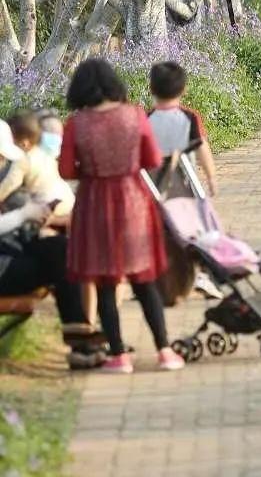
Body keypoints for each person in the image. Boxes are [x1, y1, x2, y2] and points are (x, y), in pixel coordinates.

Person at [59, 58, 184, 372]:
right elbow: (152, 158)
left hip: (94, 205)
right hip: (133, 202)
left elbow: (65, 170)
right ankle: (165, 351)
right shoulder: (136, 115)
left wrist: (90, 169)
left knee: (105, 283)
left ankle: (119, 356)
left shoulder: (76, 124)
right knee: (144, 281)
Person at [0, 128, 101, 370]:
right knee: (58, 260)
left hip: (9, 253)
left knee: (60, 249)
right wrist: (24, 214)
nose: (3, 165)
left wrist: (35, 217)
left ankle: (80, 338)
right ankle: (81, 342)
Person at [148, 61, 218, 196]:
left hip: (153, 186)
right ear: (184, 89)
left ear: (151, 88)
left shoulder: (145, 119)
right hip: (186, 184)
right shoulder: (190, 117)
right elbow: (201, 147)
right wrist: (211, 177)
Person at [0, 112, 74, 217]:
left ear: (24, 143)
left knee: (16, 202)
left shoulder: (22, 160)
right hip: (67, 199)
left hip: (48, 203)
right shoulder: (44, 154)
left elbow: (10, 184)